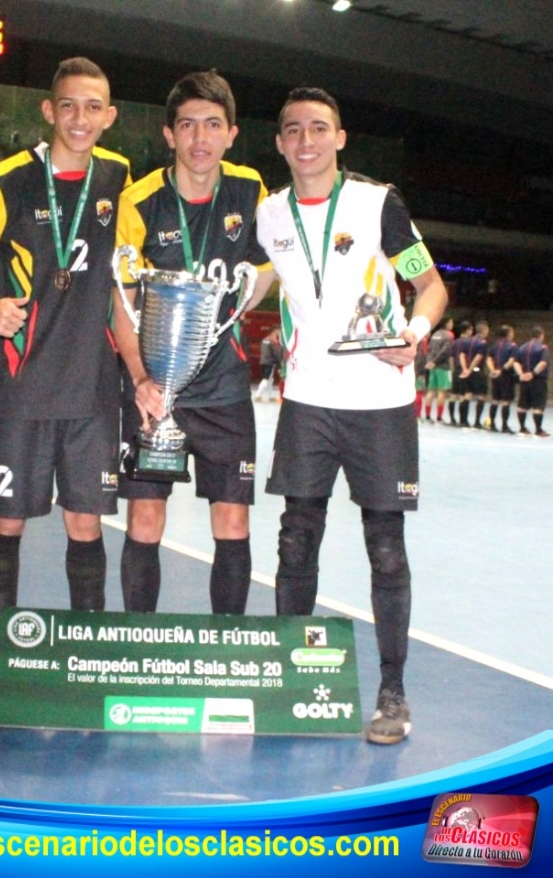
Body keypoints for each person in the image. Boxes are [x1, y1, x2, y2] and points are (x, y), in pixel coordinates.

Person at [0, 57, 131, 704]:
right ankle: (6, 665)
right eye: (68, 105)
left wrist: (144, 374)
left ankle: (90, 667)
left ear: (109, 116)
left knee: (87, 529)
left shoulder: (120, 179)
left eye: (92, 106)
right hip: (23, 386)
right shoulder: (9, 180)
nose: (80, 117)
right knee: (7, 525)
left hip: (95, 392)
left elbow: (130, 285)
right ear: (49, 111)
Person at [255, 86, 448, 745]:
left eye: (319, 128)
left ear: (340, 138)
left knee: (386, 549)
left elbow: (430, 284)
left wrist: (416, 334)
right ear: (280, 143)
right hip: (308, 397)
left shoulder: (377, 204)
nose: (305, 140)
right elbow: (261, 278)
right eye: (293, 130)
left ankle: (392, 693)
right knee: (294, 537)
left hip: (379, 400)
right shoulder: (269, 215)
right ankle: (287, 678)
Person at [112, 70, 274, 616]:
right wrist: (139, 379)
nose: (200, 139)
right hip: (155, 388)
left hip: (225, 387)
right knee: (145, 518)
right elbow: (122, 299)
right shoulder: (139, 202)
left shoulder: (249, 189)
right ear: (169, 134)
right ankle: (139, 644)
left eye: (212, 125)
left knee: (232, 519)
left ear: (231, 134)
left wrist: (257, 283)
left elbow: (268, 261)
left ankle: (226, 645)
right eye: (188, 126)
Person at [514, 325, 550, 437]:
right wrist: (533, 373)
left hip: (524, 380)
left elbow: (516, 362)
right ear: (541, 335)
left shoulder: (522, 347)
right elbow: (543, 363)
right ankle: (538, 430)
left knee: (522, 404)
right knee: (538, 405)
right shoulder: (543, 348)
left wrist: (521, 374)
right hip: (538, 380)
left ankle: (522, 428)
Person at [458, 319, 489, 428]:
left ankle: (463, 421)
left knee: (467, 395)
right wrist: (470, 369)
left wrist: (465, 369)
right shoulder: (483, 343)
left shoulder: (467, 341)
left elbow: (461, 355)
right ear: (484, 330)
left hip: (466, 371)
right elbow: (478, 358)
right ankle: (476, 422)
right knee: (481, 396)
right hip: (477, 371)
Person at [486, 324, 517, 433]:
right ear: (509, 334)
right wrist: (502, 370)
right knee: (506, 401)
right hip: (506, 376)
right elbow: (511, 360)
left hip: (495, 376)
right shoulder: (512, 346)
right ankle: (504, 426)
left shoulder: (495, 345)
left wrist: (493, 370)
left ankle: (492, 424)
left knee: (495, 400)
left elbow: (489, 359)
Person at [423, 316, 454, 424]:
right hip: (442, 366)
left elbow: (429, 350)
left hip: (432, 366)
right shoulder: (449, 335)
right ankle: (439, 418)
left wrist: (430, 362)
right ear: (446, 324)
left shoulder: (434, 335)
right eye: (451, 322)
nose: (452, 324)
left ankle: (427, 416)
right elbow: (445, 351)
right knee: (441, 392)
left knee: (430, 391)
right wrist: (436, 361)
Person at [448, 320, 473, 426]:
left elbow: (451, 357)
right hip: (464, 370)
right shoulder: (468, 342)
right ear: (468, 330)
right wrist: (466, 369)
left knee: (454, 394)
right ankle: (463, 420)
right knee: (465, 395)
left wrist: (453, 369)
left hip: (456, 370)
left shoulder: (455, 342)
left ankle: (452, 419)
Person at [255, 326, 283, 402]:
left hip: (263, 361)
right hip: (270, 362)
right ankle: (257, 395)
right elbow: (276, 353)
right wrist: (279, 364)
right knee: (266, 379)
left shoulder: (265, 340)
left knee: (270, 380)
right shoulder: (273, 342)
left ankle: (270, 396)